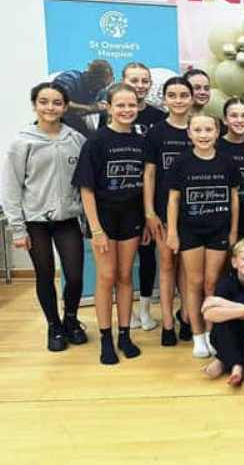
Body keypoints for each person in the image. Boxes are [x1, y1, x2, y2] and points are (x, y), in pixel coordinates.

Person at [1, 82, 86, 351]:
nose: (50, 107)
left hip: (67, 219)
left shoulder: (75, 139)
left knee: (74, 276)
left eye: (57, 102)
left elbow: (84, 183)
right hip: (35, 221)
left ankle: (71, 320)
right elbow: (11, 186)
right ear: (35, 104)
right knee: (45, 274)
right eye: (44, 101)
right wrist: (18, 228)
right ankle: (54, 327)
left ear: (65, 106)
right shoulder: (22, 141)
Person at [73, 83, 145, 365]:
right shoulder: (96, 142)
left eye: (131, 105)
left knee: (126, 276)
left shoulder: (141, 142)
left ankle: (124, 334)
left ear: (138, 107)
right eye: (121, 105)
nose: (127, 110)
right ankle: (105, 337)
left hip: (131, 218)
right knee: (106, 277)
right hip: (103, 219)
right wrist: (96, 229)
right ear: (109, 107)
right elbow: (86, 189)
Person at [166, 113, 241, 358]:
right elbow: (173, 200)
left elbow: (234, 198)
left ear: (217, 132)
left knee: (212, 283)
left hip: (219, 230)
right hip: (190, 232)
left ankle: (212, 333)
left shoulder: (227, 162)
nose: (203, 135)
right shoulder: (181, 162)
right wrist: (173, 232)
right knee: (194, 283)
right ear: (189, 133)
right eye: (197, 130)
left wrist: (232, 231)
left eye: (208, 130)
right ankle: (198, 335)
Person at [144, 77, 194, 346]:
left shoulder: (201, 129)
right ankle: (166, 323)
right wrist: (150, 212)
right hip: (164, 212)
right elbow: (149, 174)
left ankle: (186, 317)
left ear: (191, 98)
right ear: (164, 99)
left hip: (195, 212)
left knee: (187, 269)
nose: (178, 100)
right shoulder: (156, 133)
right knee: (166, 265)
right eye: (172, 95)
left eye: (183, 95)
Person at [118, 62, 166, 332]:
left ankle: (145, 308)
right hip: (120, 201)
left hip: (148, 199)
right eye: (133, 80)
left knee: (147, 256)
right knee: (120, 263)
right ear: (123, 81)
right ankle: (127, 312)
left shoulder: (158, 117)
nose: (139, 85)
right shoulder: (109, 115)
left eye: (144, 80)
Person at [201, 238, 244, 386]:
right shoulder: (226, 282)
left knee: (236, 322)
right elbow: (208, 314)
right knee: (224, 324)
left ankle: (227, 362)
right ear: (234, 262)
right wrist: (243, 310)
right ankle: (236, 363)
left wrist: (220, 303)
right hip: (225, 335)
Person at [217, 98, 244, 238]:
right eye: (234, 115)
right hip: (223, 217)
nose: (239, 120)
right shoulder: (215, 147)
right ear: (225, 120)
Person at [54, 59, 114, 137]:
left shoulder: (101, 91)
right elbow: (56, 103)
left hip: (77, 124)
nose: (102, 89)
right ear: (89, 76)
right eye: (101, 84)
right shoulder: (70, 79)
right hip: (57, 122)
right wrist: (90, 108)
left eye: (106, 85)